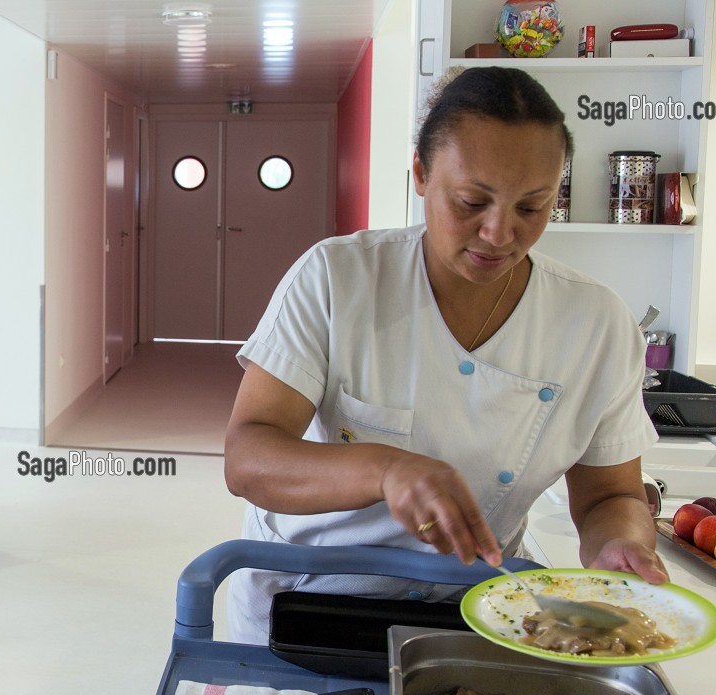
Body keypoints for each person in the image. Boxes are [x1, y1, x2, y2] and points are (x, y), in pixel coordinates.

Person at [222, 67, 669, 645]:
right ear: (420, 174)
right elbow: (248, 457)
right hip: (309, 602)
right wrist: (386, 469)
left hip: (474, 612)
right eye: (471, 202)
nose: (498, 232)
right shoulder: (338, 278)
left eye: (531, 208)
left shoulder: (595, 321)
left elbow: (610, 495)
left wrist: (621, 544)